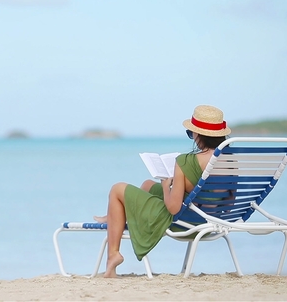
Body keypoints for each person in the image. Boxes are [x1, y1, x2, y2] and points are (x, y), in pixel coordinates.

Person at [94, 104, 232, 278]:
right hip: (210, 220)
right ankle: (115, 215)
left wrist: (167, 187)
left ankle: (113, 254)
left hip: (185, 223)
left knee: (117, 189)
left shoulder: (186, 161)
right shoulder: (229, 161)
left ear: (197, 135)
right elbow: (229, 200)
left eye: (191, 133)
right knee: (147, 185)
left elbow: (173, 208)